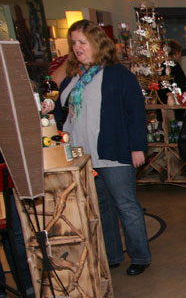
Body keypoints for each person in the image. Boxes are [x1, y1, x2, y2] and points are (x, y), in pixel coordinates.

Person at [54, 19, 151, 276]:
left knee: (126, 205)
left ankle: (140, 255)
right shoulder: (73, 78)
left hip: (114, 152)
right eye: (73, 42)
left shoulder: (119, 76)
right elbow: (61, 112)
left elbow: (135, 113)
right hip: (80, 155)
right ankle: (112, 254)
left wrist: (138, 147)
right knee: (100, 207)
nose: (77, 47)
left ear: (97, 44)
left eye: (82, 42)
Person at [158, 39, 186, 117]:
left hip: (162, 100)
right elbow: (183, 84)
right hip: (174, 102)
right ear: (176, 53)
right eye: (180, 53)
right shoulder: (175, 65)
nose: (180, 56)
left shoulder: (163, 65)